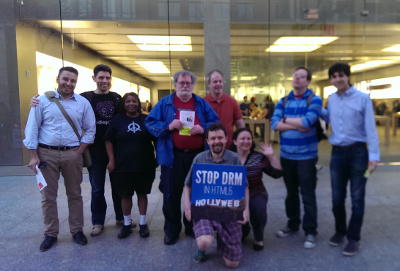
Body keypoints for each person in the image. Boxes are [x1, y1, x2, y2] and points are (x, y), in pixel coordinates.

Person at [30, 64, 133, 237]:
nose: (104, 81)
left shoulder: (117, 98)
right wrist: (35, 100)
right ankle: (98, 222)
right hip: (94, 150)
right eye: (101, 77)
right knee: (97, 188)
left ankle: (121, 218)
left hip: (116, 149)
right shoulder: (86, 98)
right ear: (94, 79)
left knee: (118, 186)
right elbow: (37, 122)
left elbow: (126, 116)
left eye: (107, 78)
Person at [23, 66, 96, 251]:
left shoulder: (82, 103)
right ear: (58, 79)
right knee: (48, 196)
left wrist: (79, 151)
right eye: (65, 79)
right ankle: (50, 234)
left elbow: (90, 129)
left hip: (73, 154)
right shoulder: (42, 101)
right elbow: (32, 128)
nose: (68, 83)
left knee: (75, 194)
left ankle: (77, 230)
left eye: (73, 81)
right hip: (46, 153)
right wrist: (33, 156)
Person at [145, 70, 219, 245]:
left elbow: (216, 123)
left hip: (198, 157)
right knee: (171, 194)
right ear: (175, 84)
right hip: (172, 157)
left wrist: (203, 129)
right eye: (181, 83)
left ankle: (192, 226)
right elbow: (149, 123)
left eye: (188, 83)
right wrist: (168, 125)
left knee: (195, 194)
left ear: (193, 85)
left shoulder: (201, 103)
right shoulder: (164, 104)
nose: (185, 86)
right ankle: (171, 230)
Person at [321, 63, 379, 256]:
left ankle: (353, 238)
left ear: (348, 76)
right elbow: (327, 119)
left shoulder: (363, 99)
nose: (337, 79)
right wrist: (312, 109)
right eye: (334, 76)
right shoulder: (331, 99)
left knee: (356, 198)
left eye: (341, 75)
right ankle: (340, 231)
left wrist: (374, 157)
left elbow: (371, 128)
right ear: (330, 80)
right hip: (337, 153)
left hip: (358, 154)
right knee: (337, 199)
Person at [183, 123, 249, 268]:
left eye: (220, 137)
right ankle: (202, 247)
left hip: (229, 210)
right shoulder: (199, 159)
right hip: (204, 209)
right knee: (204, 241)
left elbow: (244, 186)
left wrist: (246, 209)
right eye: (213, 138)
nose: (217, 141)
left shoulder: (234, 159)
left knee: (232, 264)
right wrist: (187, 206)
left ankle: (222, 239)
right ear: (207, 141)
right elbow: (187, 185)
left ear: (226, 139)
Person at [271, 66, 322, 249]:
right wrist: (295, 124)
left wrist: (285, 121)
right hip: (287, 156)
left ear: (307, 81)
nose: (297, 79)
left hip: (306, 157)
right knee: (291, 194)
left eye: (301, 77)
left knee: (308, 194)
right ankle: (293, 224)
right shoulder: (283, 101)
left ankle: (310, 231)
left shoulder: (314, 100)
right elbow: (274, 124)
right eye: (295, 76)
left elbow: (308, 122)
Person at [104, 93, 157, 239]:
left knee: (142, 193)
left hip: (144, 165)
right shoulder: (117, 121)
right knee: (125, 195)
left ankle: (142, 223)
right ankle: (126, 224)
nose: (131, 104)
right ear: (124, 104)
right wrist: (111, 160)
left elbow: (157, 138)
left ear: (138, 103)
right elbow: (108, 140)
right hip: (123, 166)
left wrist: (158, 157)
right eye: (128, 101)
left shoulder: (146, 120)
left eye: (134, 101)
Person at [230, 128, 283, 251]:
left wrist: (271, 157)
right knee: (239, 235)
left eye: (248, 138)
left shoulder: (258, 157)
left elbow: (277, 174)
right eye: (242, 138)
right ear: (235, 141)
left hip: (255, 191)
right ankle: (244, 229)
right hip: (234, 194)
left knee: (258, 209)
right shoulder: (228, 158)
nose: (246, 141)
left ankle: (258, 237)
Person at [204, 70, 244, 148]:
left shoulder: (232, 102)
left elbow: (240, 126)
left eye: (220, 81)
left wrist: (239, 143)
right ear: (209, 84)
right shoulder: (204, 103)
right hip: (209, 149)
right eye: (215, 82)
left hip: (229, 147)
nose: (218, 84)